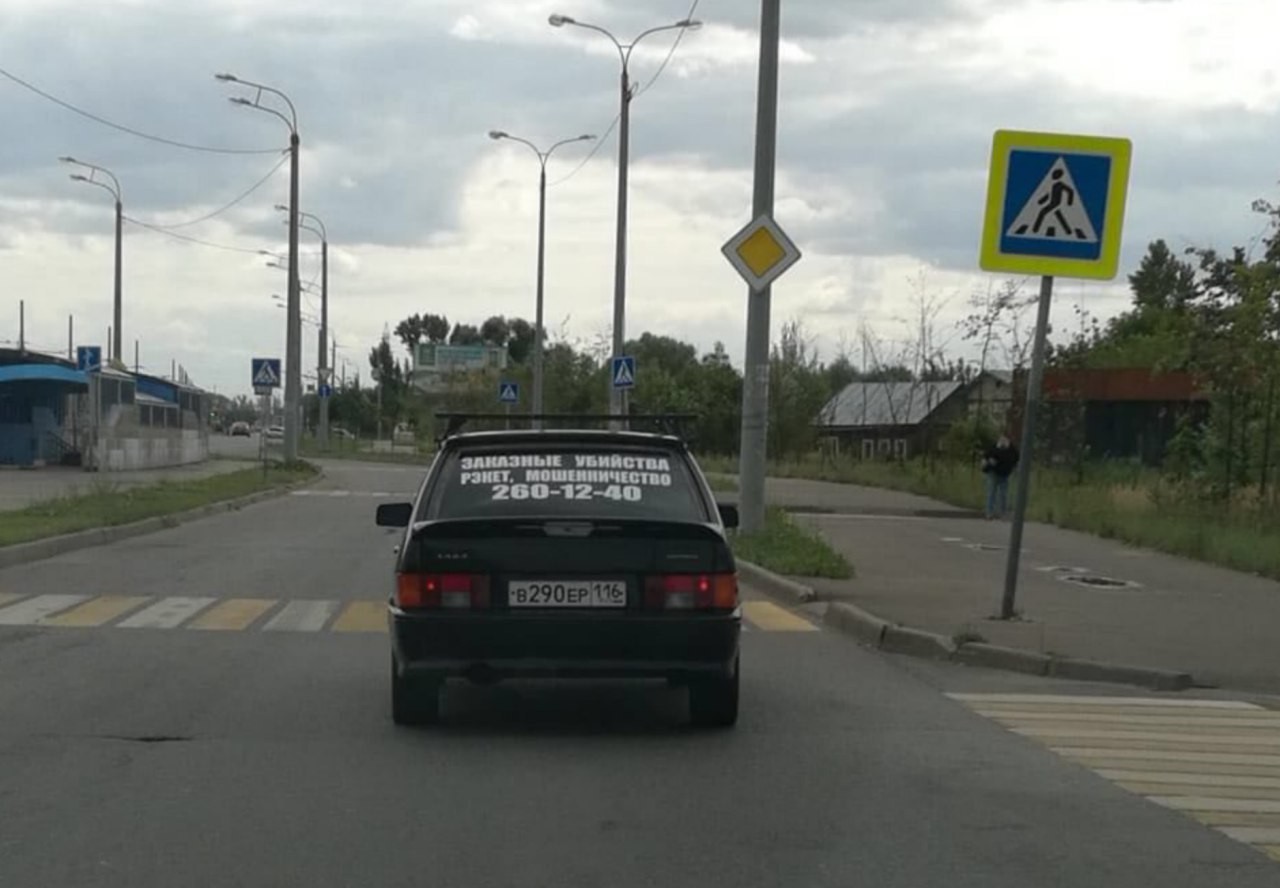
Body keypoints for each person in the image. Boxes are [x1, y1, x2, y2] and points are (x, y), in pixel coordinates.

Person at [981, 435, 1019, 520]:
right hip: (993, 473)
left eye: (1005, 440)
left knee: (1003, 494)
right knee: (991, 492)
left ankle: (1002, 513)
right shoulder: (994, 447)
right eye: (1001, 439)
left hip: (1004, 474)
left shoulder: (1012, 450)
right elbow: (985, 456)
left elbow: (1016, 460)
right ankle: (989, 512)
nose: (1003, 441)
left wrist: (1014, 470)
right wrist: (987, 462)